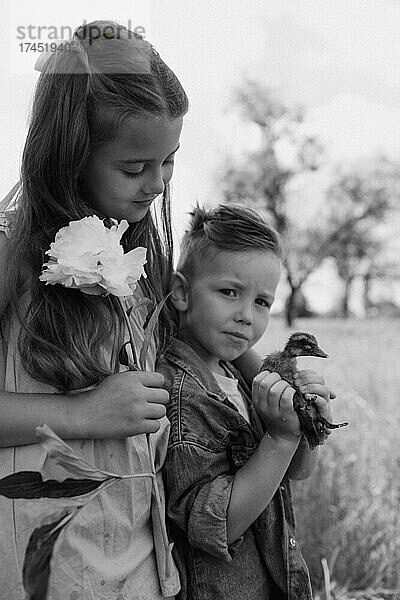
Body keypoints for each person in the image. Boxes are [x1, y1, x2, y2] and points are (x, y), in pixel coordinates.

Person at [0, 21, 188, 599]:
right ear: (68, 155)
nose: (156, 185)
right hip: (46, 557)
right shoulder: (11, 251)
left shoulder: (138, 252)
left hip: (136, 554)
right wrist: (83, 413)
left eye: (169, 161)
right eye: (134, 169)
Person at [157, 204, 334, 600]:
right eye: (229, 292)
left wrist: (307, 428)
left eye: (261, 303)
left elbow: (297, 474)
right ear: (182, 292)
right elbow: (218, 524)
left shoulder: (238, 375)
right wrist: (280, 441)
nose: (246, 316)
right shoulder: (185, 398)